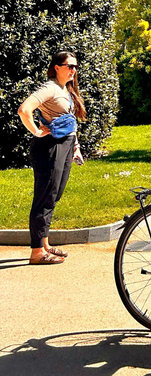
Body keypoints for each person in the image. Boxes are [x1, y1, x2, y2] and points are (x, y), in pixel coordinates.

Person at [17, 52, 86, 264]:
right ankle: (37, 252)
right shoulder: (49, 87)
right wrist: (37, 131)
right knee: (44, 197)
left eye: (75, 66)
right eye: (69, 66)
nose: (73, 70)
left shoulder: (65, 89)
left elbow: (69, 122)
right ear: (57, 67)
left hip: (64, 146)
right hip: (49, 147)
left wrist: (75, 146)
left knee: (54, 195)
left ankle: (45, 244)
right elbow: (24, 110)